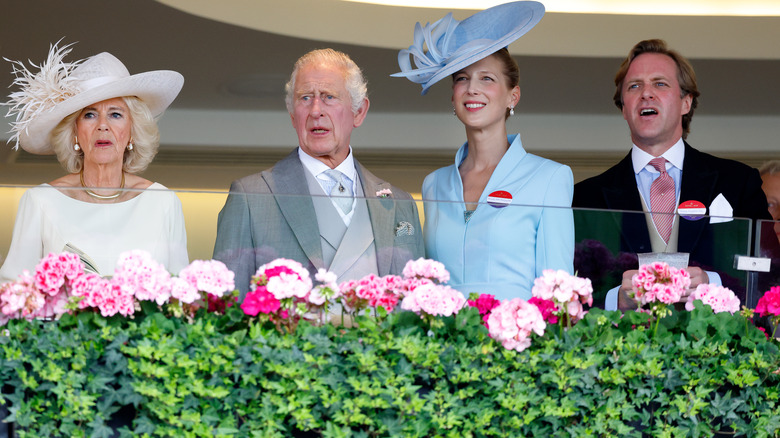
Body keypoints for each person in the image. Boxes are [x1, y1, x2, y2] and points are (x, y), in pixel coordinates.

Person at [393, 1, 574, 301]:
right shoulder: (433, 184)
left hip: (520, 343)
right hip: (444, 344)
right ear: (452, 96)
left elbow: (558, 294)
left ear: (512, 96)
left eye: (487, 78)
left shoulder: (550, 178)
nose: (471, 89)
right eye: (461, 78)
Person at [572, 39, 770, 310]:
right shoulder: (585, 197)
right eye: (634, 86)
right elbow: (570, 288)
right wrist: (613, 300)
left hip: (716, 348)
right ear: (623, 109)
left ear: (686, 102)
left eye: (660, 83)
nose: (646, 93)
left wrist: (713, 284)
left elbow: (768, 271)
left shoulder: (738, 182)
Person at [213, 48, 424, 296]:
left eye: (328, 97)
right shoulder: (250, 197)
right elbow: (225, 311)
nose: (315, 110)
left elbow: (418, 308)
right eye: (305, 98)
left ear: (359, 112)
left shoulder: (400, 203)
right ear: (293, 115)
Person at [0, 43, 189, 282]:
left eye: (115, 114)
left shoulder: (163, 201)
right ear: (75, 132)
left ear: (132, 131)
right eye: (89, 114)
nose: (102, 125)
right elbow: (14, 293)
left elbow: (181, 297)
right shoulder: (40, 201)